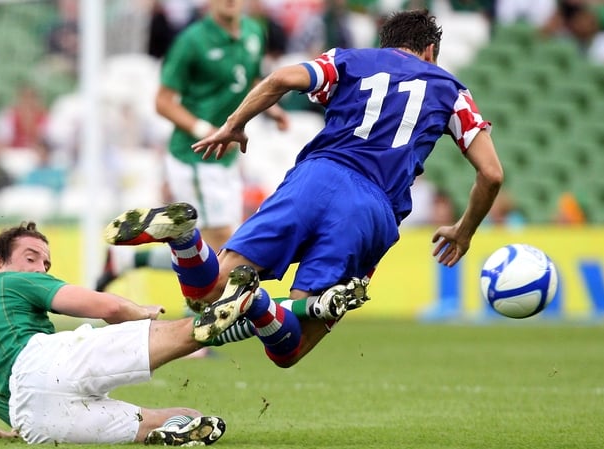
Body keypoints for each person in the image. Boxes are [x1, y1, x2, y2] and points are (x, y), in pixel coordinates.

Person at [104, 9, 503, 368]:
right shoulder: (452, 91)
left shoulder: (350, 59)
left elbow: (280, 78)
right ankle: (263, 302)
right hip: (370, 209)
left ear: (385, 43)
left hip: (314, 178)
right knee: (289, 346)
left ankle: (185, 240)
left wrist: (235, 123)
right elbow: (491, 174)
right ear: (430, 51)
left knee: (209, 289)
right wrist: (463, 231)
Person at [0, 221, 228, 446]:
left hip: (36, 423)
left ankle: (170, 432)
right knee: (188, 331)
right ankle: (255, 311)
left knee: (188, 419)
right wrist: (139, 313)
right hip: (43, 364)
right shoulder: (7, 282)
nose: (40, 270)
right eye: (31, 259)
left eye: (45, 265)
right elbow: (108, 307)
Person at [95, 0, 289, 291]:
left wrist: (270, 107)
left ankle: (126, 263)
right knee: (224, 247)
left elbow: (247, 77)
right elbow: (162, 101)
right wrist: (205, 130)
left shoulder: (253, 32)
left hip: (227, 157)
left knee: (219, 251)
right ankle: (196, 318)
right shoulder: (191, 41)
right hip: (196, 157)